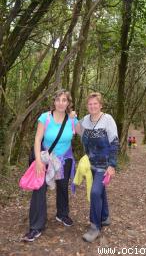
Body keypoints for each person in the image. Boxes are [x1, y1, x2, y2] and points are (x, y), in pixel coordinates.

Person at [23, 89, 78, 242]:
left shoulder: (72, 119)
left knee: (62, 186)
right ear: (54, 101)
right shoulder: (45, 117)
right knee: (39, 189)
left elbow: (83, 132)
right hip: (45, 158)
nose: (61, 103)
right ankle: (36, 227)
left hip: (64, 160)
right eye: (58, 99)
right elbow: (37, 139)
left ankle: (62, 214)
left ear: (68, 103)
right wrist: (39, 161)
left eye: (64, 100)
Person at [75, 92, 119, 242]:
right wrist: (71, 117)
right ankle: (105, 216)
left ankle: (95, 227)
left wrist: (112, 165)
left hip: (104, 165)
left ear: (100, 105)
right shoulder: (85, 120)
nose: (92, 106)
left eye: (95, 103)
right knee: (100, 191)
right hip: (90, 164)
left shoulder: (108, 120)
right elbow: (76, 129)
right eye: (90, 104)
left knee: (95, 192)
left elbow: (114, 142)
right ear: (87, 106)